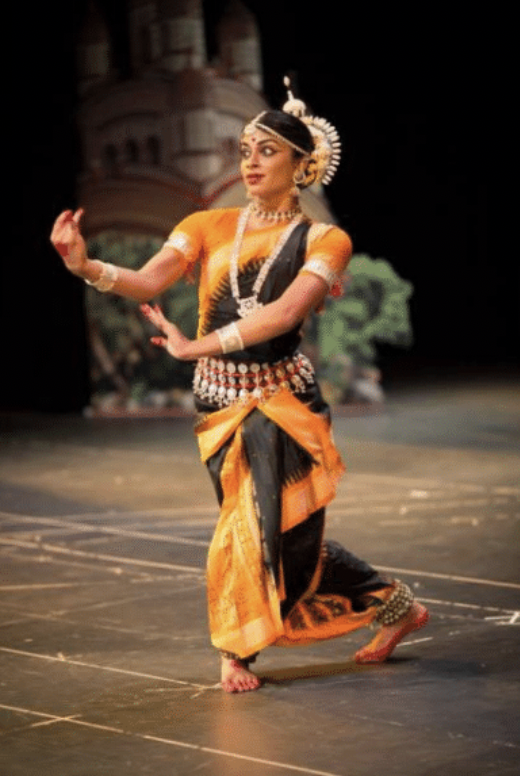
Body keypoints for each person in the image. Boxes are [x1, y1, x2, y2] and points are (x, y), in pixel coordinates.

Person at [51, 79, 428, 693]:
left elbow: (281, 317)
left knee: (250, 526)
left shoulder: (325, 239)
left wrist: (190, 346)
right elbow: (148, 282)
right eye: (245, 148)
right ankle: (396, 607)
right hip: (219, 402)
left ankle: (236, 649)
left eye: (266, 150)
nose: (249, 160)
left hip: (284, 401)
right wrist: (85, 266)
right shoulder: (206, 222)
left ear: (303, 166)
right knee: (280, 534)